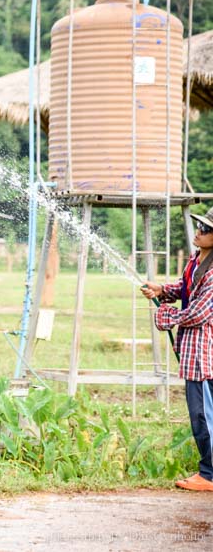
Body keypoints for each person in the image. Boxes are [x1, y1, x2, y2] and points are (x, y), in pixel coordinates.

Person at [141, 206, 213, 491]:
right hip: (193, 352)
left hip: (204, 355)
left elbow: (200, 312)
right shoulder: (197, 261)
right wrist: (162, 290)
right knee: (201, 413)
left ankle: (209, 475)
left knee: (203, 415)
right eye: (200, 226)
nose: (199, 231)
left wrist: (167, 317)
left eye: (206, 229)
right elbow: (185, 290)